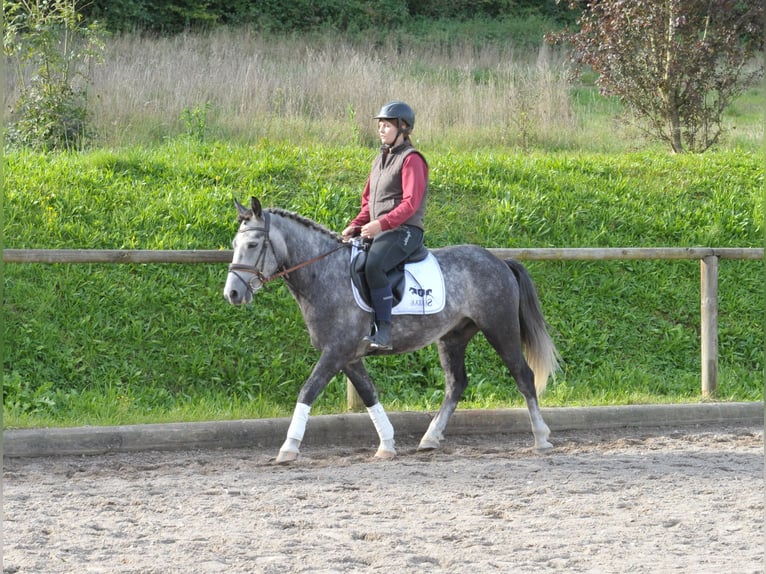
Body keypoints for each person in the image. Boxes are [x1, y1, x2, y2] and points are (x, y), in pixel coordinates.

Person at [341, 100, 429, 351]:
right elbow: (369, 202)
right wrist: (356, 226)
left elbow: (411, 203)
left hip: (405, 231)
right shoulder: (379, 159)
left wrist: (381, 224)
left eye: (387, 125)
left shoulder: (412, 160)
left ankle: (384, 330)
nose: (381, 129)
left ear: (404, 128)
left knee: (374, 264)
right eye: (380, 125)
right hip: (382, 228)